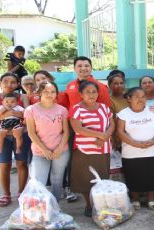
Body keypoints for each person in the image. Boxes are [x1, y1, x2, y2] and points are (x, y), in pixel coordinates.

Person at [61, 56, 112, 202]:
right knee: (75, 161)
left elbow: (108, 112)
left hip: (98, 135)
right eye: (79, 66)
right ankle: (73, 189)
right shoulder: (71, 86)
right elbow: (65, 104)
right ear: (75, 68)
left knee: (98, 165)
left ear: (91, 68)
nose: (83, 68)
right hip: (75, 130)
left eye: (86, 65)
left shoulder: (100, 87)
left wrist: (104, 136)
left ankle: (98, 197)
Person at [69, 81, 114, 217]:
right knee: (86, 179)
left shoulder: (104, 108)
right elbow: (78, 128)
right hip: (85, 150)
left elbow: (112, 124)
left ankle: (100, 204)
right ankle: (89, 205)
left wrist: (105, 137)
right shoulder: (77, 108)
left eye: (94, 91)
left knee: (102, 177)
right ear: (81, 94)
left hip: (103, 148)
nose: (91, 94)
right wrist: (100, 134)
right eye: (87, 92)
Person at [0, 72, 30, 207]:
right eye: (5, 81)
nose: (9, 85)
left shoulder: (22, 97)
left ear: (17, 84)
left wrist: (13, 114)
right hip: (1, 134)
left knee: (22, 164)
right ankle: (6, 194)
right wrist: (0, 130)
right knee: (4, 165)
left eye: (13, 82)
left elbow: (28, 115)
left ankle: (21, 192)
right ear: (0, 83)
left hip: (20, 132)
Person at [117, 87, 154, 210]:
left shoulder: (152, 111)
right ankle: (136, 199)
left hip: (153, 150)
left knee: (152, 175)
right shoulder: (123, 114)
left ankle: (151, 199)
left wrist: (153, 141)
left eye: (143, 96)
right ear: (129, 99)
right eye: (137, 97)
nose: (141, 99)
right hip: (131, 152)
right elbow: (120, 132)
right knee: (133, 175)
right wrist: (135, 144)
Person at [24, 81, 69, 200]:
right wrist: (44, 150)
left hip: (60, 151)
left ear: (56, 94)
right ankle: (40, 210)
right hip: (40, 152)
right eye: (46, 91)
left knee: (57, 180)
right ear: (39, 93)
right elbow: (31, 133)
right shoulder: (30, 110)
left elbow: (66, 132)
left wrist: (59, 149)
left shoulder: (62, 110)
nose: (50, 94)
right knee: (39, 181)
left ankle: (55, 208)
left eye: (53, 92)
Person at [108, 70, 129, 152]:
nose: (119, 85)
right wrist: (114, 139)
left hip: (133, 136)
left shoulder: (130, 98)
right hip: (119, 140)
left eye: (121, 83)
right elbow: (111, 123)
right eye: (116, 83)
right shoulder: (109, 101)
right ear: (109, 85)